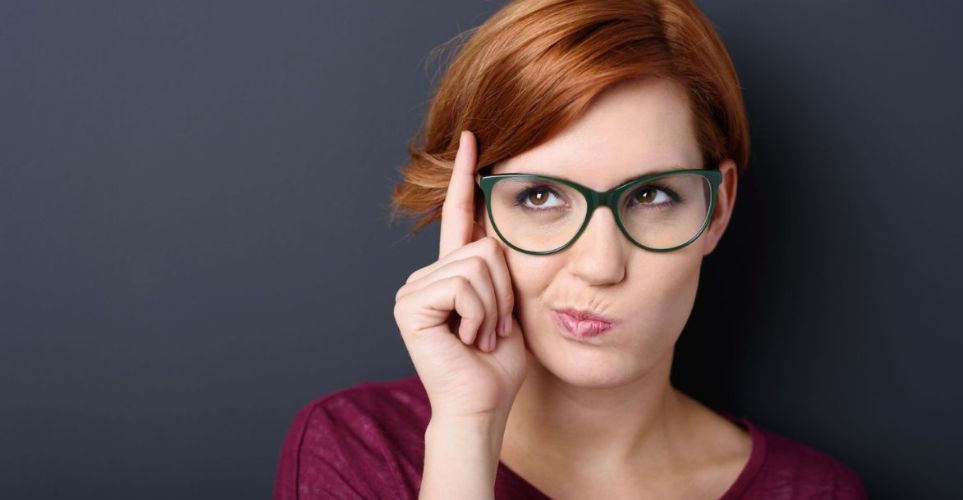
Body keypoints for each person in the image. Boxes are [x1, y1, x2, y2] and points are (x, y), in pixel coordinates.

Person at [274, 0, 869, 498]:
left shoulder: (816, 492)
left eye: (653, 195)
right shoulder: (355, 451)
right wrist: (467, 431)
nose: (600, 265)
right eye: (538, 197)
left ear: (718, 208)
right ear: (477, 214)